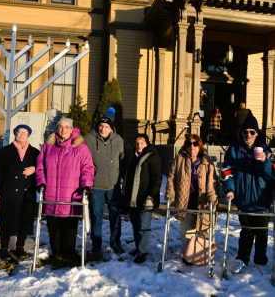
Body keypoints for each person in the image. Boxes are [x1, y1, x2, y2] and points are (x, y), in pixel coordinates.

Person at [35, 117, 94, 268]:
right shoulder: (48, 146)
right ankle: (56, 253)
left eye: (67, 127)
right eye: (61, 127)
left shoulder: (80, 147)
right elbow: (40, 166)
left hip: (71, 195)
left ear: (72, 129)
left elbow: (87, 168)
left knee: (69, 226)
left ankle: (69, 253)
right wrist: (41, 182)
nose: (63, 130)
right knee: (53, 226)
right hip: (51, 195)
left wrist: (86, 185)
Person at [221, 115, 274, 274]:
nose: (248, 135)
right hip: (243, 198)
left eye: (252, 132)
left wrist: (265, 161)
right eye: (245, 132)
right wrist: (230, 189)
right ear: (241, 133)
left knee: (262, 231)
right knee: (246, 230)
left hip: (261, 199)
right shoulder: (234, 150)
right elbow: (226, 172)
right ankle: (242, 258)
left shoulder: (265, 150)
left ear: (257, 134)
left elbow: (271, 175)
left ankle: (260, 260)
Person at [0, 124, 39, 260]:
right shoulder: (5, 151)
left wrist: (34, 169)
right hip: (8, 192)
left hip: (27, 192)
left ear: (28, 135)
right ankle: (4, 248)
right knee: (6, 220)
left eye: (25, 132)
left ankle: (20, 247)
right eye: (19, 132)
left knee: (24, 220)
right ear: (15, 134)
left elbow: (42, 169)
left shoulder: (35, 152)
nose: (22, 134)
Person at [165, 134, 217, 261]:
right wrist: (170, 192)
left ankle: (204, 256)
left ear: (199, 146)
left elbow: (212, 181)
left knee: (205, 230)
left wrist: (211, 195)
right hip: (185, 202)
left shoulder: (206, 161)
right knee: (187, 231)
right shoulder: (180, 159)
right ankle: (189, 256)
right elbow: (171, 178)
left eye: (195, 144)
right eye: (189, 144)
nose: (192, 147)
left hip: (203, 202)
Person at [85, 112, 124, 260]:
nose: (103, 129)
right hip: (97, 187)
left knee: (115, 216)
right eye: (101, 126)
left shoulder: (118, 140)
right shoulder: (89, 139)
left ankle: (115, 243)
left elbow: (122, 159)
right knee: (97, 217)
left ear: (111, 129)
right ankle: (96, 246)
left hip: (114, 187)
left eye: (106, 126)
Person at [121, 134, 162, 263]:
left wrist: (151, 196)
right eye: (137, 142)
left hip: (145, 198)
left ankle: (142, 252)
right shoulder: (132, 157)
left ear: (147, 143)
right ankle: (138, 247)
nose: (139, 145)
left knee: (144, 226)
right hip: (132, 197)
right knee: (135, 224)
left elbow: (157, 179)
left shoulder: (153, 157)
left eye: (142, 143)